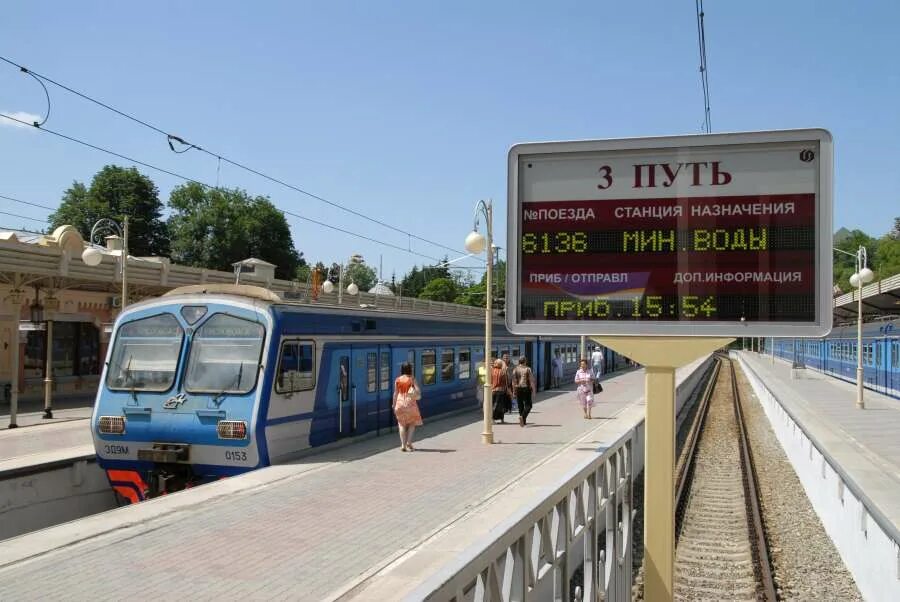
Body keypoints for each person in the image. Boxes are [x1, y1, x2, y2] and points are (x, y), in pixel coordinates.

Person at [393, 362, 423, 451]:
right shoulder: (412, 379)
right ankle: (409, 443)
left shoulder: (397, 380)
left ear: (401, 369)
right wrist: (414, 389)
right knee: (412, 423)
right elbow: (417, 390)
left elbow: (395, 393)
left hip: (399, 403)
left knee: (401, 424)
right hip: (410, 404)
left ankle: (403, 445)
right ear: (410, 369)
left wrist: (394, 404)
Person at [512, 356, 537, 426]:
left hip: (518, 389)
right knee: (529, 405)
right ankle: (522, 417)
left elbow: (513, 382)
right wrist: (534, 391)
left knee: (520, 405)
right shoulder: (528, 369)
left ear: (519, 361)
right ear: (525, 361)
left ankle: (523, 422)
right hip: (526, 388)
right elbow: (531, 381)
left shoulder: (515, 369)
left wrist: (514, 392)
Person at [491, 358, 509, 423]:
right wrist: (507, 390)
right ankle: (501, 419)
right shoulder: (503, 371)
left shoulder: (491, 371)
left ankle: (493, 419)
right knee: (501, 405)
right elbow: (506, 382)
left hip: (493, 390)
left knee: (493, 404)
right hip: (501, 391)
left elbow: (490, 381)